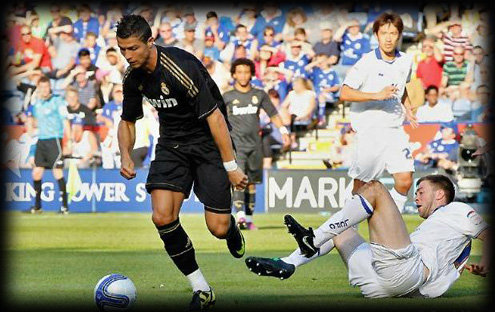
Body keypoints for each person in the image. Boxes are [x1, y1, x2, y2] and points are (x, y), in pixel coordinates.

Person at [115, 15, 247, 310]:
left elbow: (215, 118)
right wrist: (125, 154)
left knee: (218, 228)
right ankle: (202, 289)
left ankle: (230, 229)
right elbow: (127, 120)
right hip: (171, 144)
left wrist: (230, 167)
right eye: (123, 50)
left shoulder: (181, 67)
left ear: (151, 41)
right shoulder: (132, 76)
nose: (128, 55)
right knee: (162, 217)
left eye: (133, 48)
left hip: (208, 143)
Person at [245, 174, 490, 299]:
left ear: (439, 196)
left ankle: (312, 239)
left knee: (375, 189)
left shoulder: (455, 209)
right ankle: (290, 262)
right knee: (341, 231)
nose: (416, 197)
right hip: (384, 282)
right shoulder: (440, 227)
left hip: (405, 273)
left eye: (421, 191)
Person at [338, 12, 418, 213]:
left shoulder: (406, 61)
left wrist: (407, 108)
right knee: (361, 185)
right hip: (370, 131)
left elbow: (402, 87)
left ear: (399, 35)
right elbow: (344, 93)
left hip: (395, 129)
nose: (388, 38)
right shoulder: (367, 62)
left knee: (405, 179)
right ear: (376, 35)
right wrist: (376, 95)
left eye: (393, 33)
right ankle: (346, 226)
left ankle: (390, 219)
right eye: (384, 33)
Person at [223, 58, 290, 230]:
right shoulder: (227, 97)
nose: (243, 75)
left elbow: (273, 113)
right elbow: (218, 119)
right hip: (236, 146)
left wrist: (283, 131)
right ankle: (240, 218)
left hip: (255, 146)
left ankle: (250, 219)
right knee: (239, 181)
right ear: (233, 74)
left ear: (252, 74)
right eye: (239, 72)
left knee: (251, 183)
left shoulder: (259, 94)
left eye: (246, 72)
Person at [25, 76, 71, 214]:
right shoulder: (37, 103)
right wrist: (30, 127)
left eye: (47, 87)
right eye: (42, 87)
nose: (45, 90)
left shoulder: (58, 101)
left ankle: (64, 206)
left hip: (54, 140)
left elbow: (66, 122)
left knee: (57, 172)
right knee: (36, 173)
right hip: (41, 140)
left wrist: (69, 141)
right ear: (38, 88)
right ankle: (37, 206)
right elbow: (31, 119)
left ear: (50, 87)